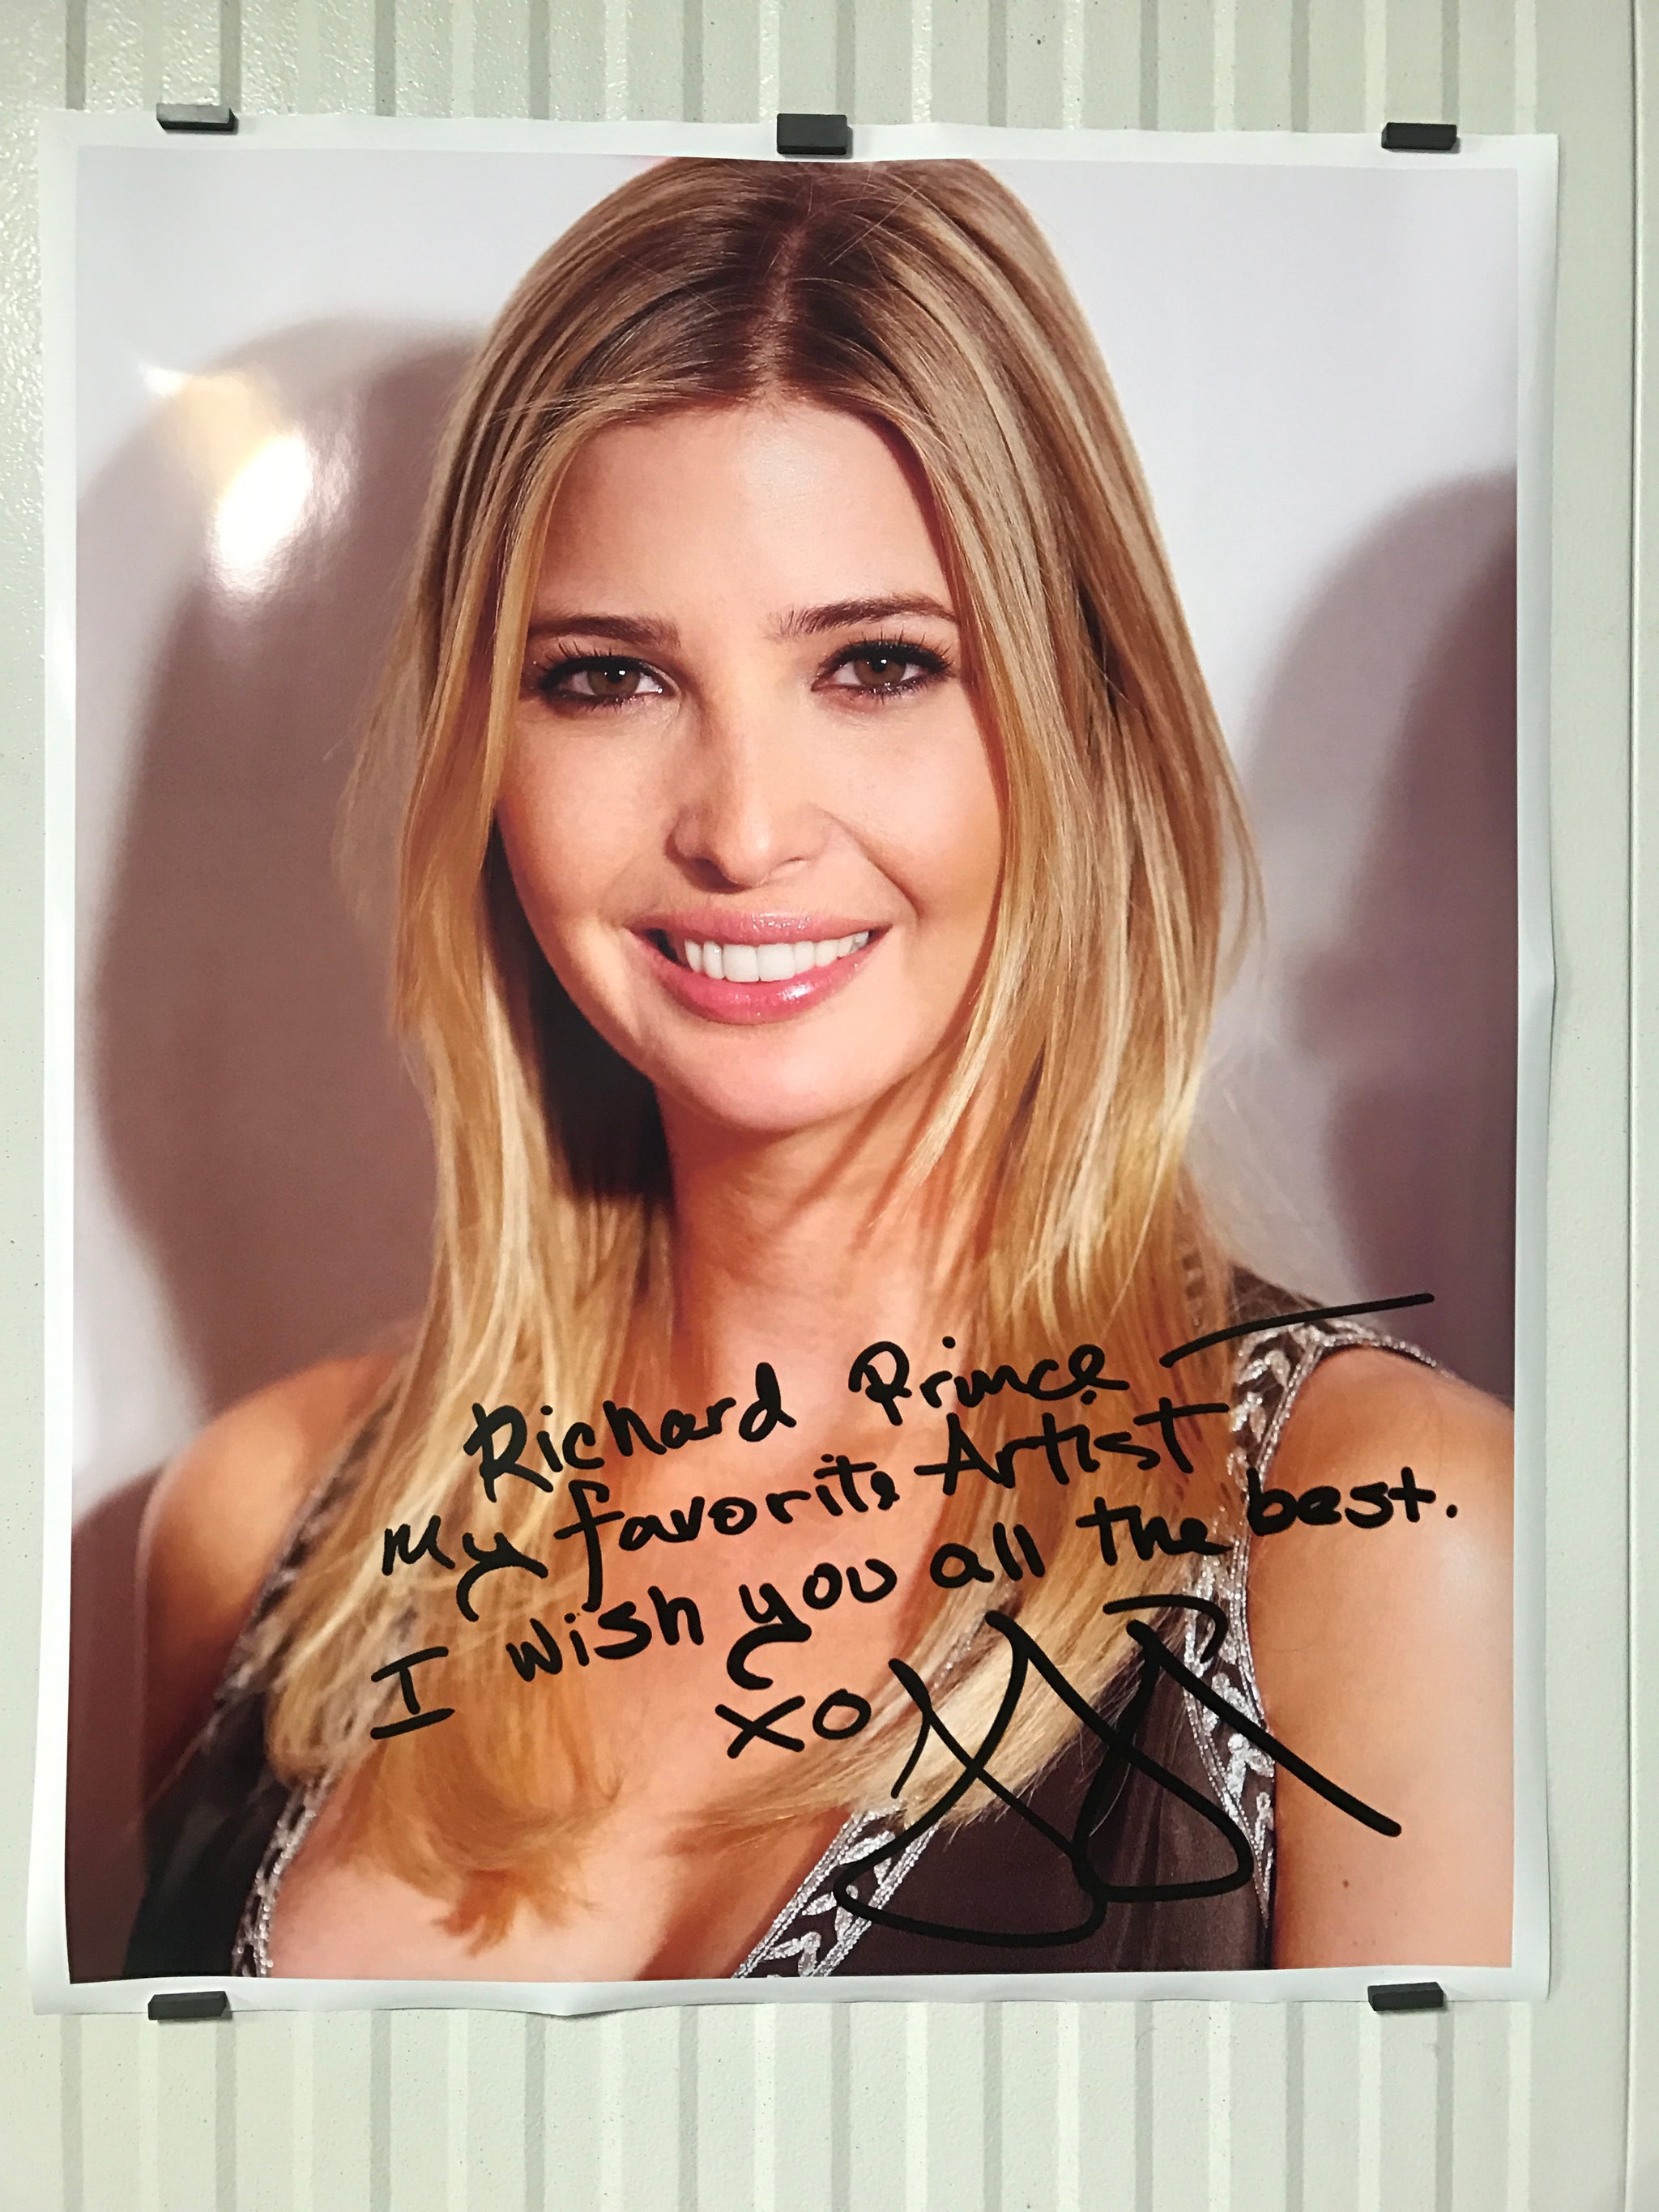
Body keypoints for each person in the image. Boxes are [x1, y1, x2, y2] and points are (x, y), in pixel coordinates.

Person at [123, 156, 1512, 1984]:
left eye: (874, 664)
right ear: (486, 749)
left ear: (1082, 722)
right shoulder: (261, 1530)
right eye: (608, 678)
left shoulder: (1377, 1530)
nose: (743, 827)